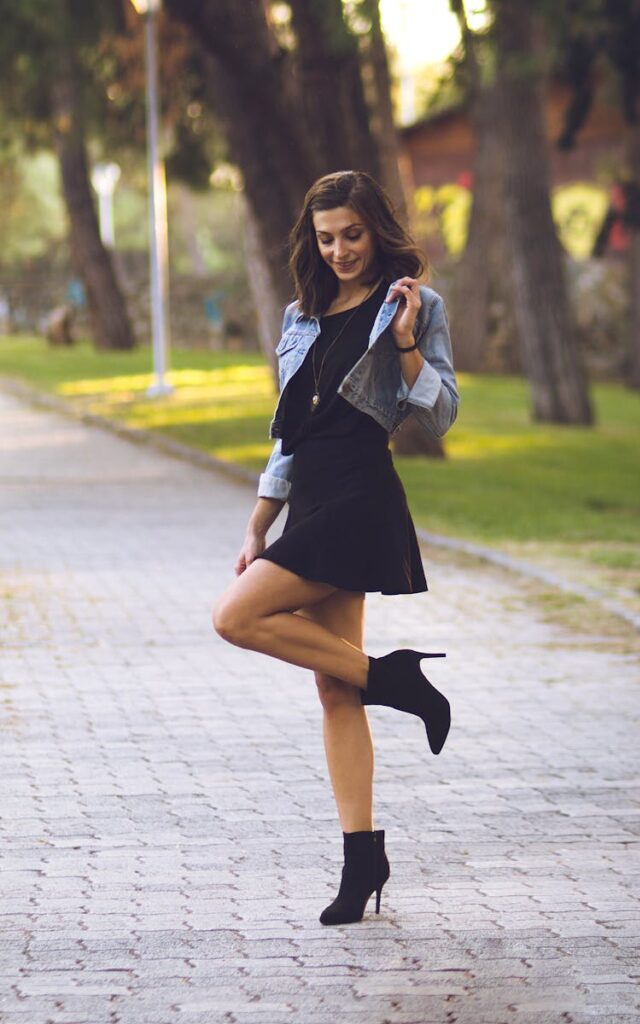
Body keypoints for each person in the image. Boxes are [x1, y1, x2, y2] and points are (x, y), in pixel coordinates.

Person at [212, 170, 459, 926]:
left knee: (234, 617)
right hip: (310, 499)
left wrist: (406, 340)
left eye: (352, 234)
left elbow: (440, 415)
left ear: (375, 229)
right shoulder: (301, 315)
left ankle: (395, 678)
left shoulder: (411, 304)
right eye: (326, 238)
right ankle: (363, 860)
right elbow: (289, 433)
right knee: (334, 688)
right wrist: (258, 523)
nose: (340, 250)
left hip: (360, 493)